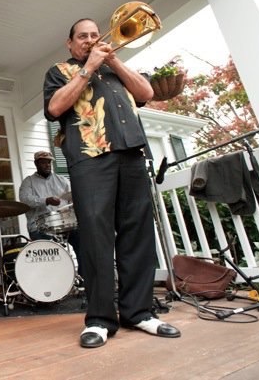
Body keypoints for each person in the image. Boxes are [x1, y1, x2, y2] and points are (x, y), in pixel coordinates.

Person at [43, 18, 180, 348]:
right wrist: (88, 67)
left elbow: (146, 93)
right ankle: (100, 319)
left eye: (94, 35)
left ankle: (139, 313)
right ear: (70, 43)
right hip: (90, 159)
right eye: (82, 36)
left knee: (138, 233)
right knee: (96, 237)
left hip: (132, 154)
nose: (90, 40)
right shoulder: (60, 71)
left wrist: (114, 59)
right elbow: (55, 107)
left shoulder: (118, 68)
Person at [18, 150, 81, 274]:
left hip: (63, 223)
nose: (47, 165)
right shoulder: (28, 181)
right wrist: (46, 200)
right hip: (39, 226)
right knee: (47, 251)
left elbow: (73, 198)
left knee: (82, 240)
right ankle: (51, 279)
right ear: (36, 163)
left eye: (49, 162)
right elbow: (25, 200)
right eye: (43, 162)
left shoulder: (62, 180)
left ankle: (83, 278)